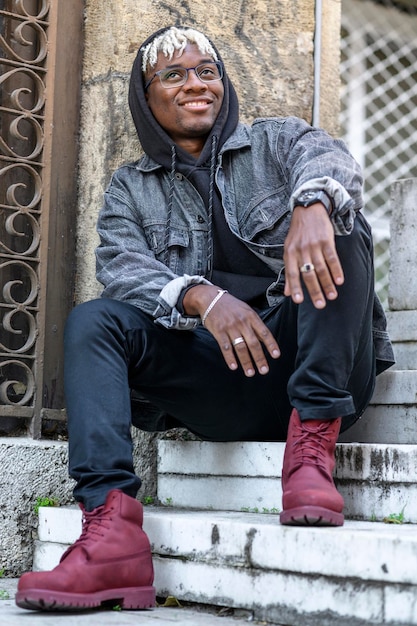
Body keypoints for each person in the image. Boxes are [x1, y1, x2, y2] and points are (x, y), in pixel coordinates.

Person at [16, 25, 394, 612]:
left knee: (341, 224)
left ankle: (312, 448)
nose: (196, 84)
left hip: (320, 365)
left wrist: (313, 202)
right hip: (225, 381)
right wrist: (201, 297)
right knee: (95, 321)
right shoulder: (129, 191)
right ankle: (110, 527)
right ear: (147, 97)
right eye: (174, 74)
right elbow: (122, 266)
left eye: (207, 72)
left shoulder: (277, 141)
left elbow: (327, 159)